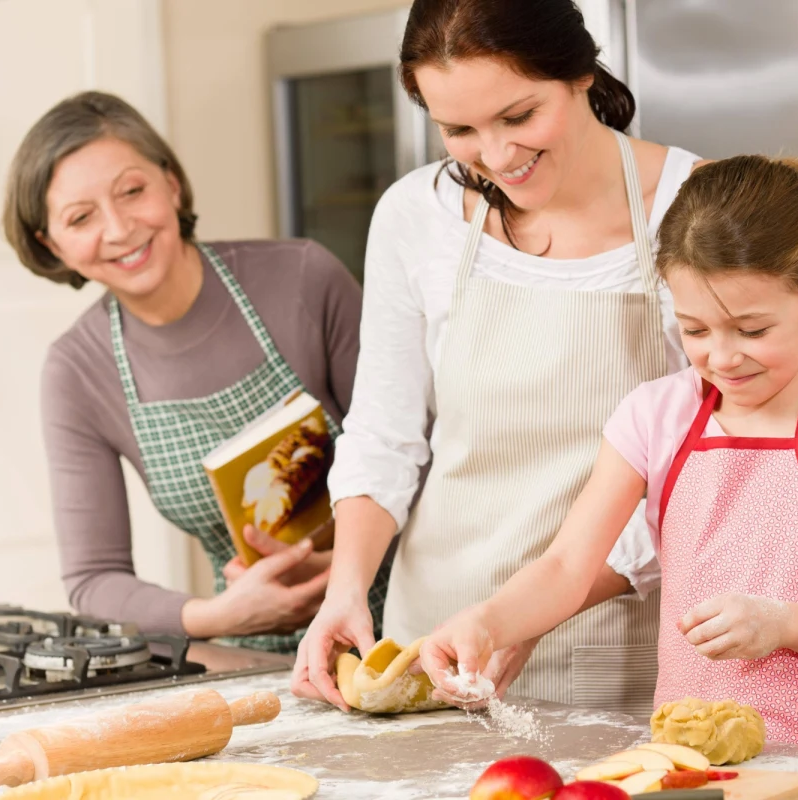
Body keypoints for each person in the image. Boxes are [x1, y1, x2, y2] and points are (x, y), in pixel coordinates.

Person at [420, 155, 798, 759]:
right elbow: (567, 566)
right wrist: (487, 622)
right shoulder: (654, 417)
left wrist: (784, 624)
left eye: (750, 330)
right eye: (695, 330)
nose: (721, 357)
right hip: (688, 766)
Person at [293, 0, 712, 715]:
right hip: (434, 638)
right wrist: (347, 587)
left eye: (518, 116)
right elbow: (385, 434)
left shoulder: (696, 208)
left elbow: (713, 468)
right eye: (458, 129)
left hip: (611, 635)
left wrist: (532, 611)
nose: (495, 154)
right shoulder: (413, 215)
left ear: (581, 73)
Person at [4, 91, 365, 652]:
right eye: (81, 217)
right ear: (51, 244)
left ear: (171, 185)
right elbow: (93, 578)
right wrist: (217, 616)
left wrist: (343, 565)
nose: (120, 228)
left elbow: (417, 454)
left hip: (417, 614)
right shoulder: (77, 369)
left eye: (132, 190)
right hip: (266, 657)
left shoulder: (303, 278)